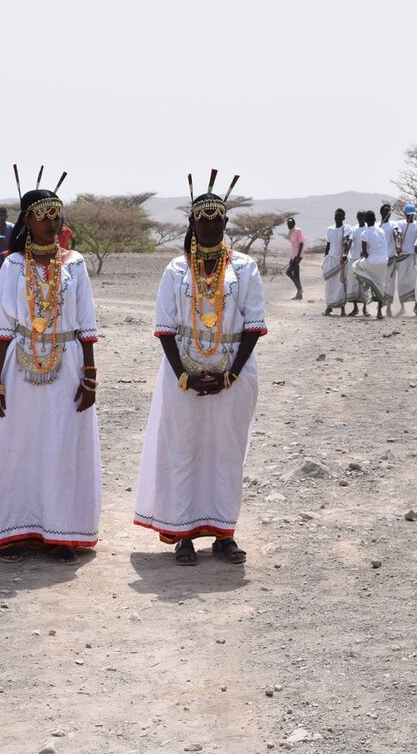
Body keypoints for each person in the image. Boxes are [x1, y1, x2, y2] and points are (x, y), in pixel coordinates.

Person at [0, 173, 101, 564]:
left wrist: (90, 375)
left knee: (60, 444)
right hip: (20, 365)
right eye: (44, 216)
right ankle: (13, 530)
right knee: (15, 444)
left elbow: (87, 323)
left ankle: (61, 533)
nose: (52, 224)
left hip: (67, 362)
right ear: (27, 221)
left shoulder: (75, 264)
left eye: (57, 216)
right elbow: (3, 325)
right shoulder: (12, 265)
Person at [135, 174, 265, 565]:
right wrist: (184, 374)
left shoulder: (245, 268)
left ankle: (225, 534)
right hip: (182, 374)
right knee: (184, 449)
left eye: (217, 219)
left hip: (234, 373)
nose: (210, 225)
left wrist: (230, 374)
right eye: (202, 219)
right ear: (192, 224)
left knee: (227, 452)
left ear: (226, 223)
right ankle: (184, 535)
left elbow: (253, 326)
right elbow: (164, 328)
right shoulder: (175, 269)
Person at [354, 211, 388, 319]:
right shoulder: (381, 231)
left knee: (355, 266)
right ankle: (379, 313)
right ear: (374, 219)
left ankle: (368, 281)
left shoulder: (364, 233)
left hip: (371, 262)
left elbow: (364, 253)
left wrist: (363, 253)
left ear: (365, 221)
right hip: (383, 262)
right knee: (380, 285)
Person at [322, 209, 350, 315]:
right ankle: (329, 307)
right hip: (331, 259)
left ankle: (342, 308)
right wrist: (324, 259)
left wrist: (345, 254)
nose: (337, 218)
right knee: (329, 284)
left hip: (341, 260)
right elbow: (328, 245)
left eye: (340, 216)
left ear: (343, 218)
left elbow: (347, 242)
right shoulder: (330, 229)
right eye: (336, 216)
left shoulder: (347, 228)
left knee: (341, 283)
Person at [396, 203, 417, 314]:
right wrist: (398, 242)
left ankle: (416, 305)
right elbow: (397, 234)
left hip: (414, 256)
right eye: (408, 215)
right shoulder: (400, 224)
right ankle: (402, 307)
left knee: (415, 281)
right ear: (405, 214)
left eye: (412, 215)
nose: (410, 217)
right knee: (401, 282)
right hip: (403, 256)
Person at [345, 211, 367, 316]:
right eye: (359, 216)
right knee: (353, 284)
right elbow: (350, 240)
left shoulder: (368, 228)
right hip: (354, 259)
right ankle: (355, 308)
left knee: (365, 284)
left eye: (362, 216)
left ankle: (365, 308)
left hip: (365, 259)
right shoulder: (354, 229)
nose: (360, 218)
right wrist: (346, 251)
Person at [285, 217, 305, 300]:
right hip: (294, 255)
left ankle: (300, 289)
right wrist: (292, 257)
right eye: (288, 224)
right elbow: (293, 246)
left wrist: (298, 256)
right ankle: (299, 295)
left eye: (291, 223)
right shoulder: (290, 232)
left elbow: (301, 243)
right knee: (296, 274)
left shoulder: (298, 231)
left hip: (298, 255)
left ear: (294, 223)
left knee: (288, 272)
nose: (289, 225)